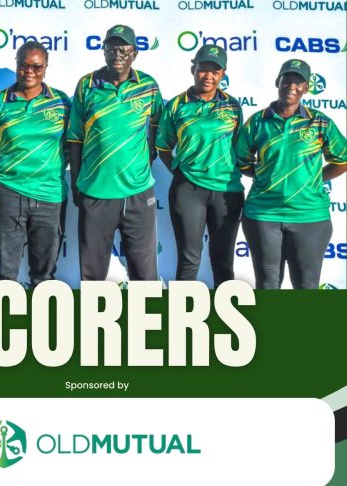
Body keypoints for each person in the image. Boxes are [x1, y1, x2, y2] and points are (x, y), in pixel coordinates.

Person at [236, 59, 346, 289]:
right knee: (267, 284)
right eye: (287, 81)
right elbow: (241, 160)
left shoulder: (319, 122)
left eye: (299, 83)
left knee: (306, 286)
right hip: (263, 215)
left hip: (309, 216)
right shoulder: (258, 121)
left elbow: (342, 160)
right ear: (278, 82)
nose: (292, 87)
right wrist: (268, 176)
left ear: (306, 88)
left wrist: (314, 178)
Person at [68, 25, 163, 281]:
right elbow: (75, 138)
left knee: (145, 276)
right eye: (111, 49)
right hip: (96, 191)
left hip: (138, 192)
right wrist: (75, 182)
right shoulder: (87, 85)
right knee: (92, 276)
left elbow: (158, 123)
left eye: (123, 49)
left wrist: (150, 152)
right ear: (103, 51)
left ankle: (147, 311)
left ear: (135, 53)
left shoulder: (148, 86)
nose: (117, 55)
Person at [0, 41, 71, 287]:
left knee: (44, 277)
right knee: (4, 275)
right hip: (7, 194)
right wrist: (5, 174)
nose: (29, 71)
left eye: (36, 67)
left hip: (50, 195)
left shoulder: (62, 103)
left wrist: (50, 170)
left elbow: (71, 146)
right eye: (23, 65)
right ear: (16, 64)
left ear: (46, 68)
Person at [156, 45, 244, 287]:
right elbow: (163, 147)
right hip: (188, 190)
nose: (208, 76)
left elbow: (239, 147)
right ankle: (182, 310)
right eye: (203, 68)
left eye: (215, 71)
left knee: (223, 261)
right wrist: (181, 173)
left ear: (223, 74)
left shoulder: (233, 106)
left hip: (227, 190)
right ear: (193, 68)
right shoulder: (176, 105)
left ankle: (225, 309)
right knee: (189, 259)